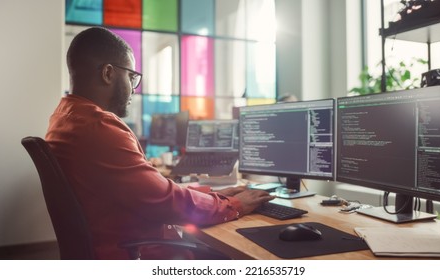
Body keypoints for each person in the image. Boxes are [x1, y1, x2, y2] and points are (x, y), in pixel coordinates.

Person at [45, 27, 274, 260]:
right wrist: (234, 204)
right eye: (132, 76)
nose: (134, 87)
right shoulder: (100, 128)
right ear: (108, 73)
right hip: (139, 252)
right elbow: (166, 202)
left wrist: (214, 194)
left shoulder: (63, 118)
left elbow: (150, 190)